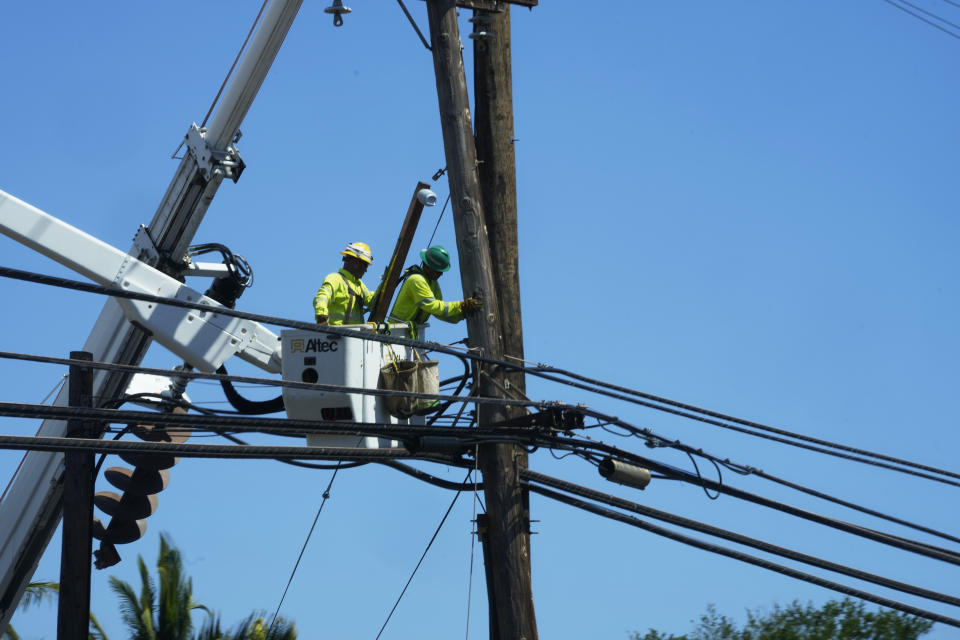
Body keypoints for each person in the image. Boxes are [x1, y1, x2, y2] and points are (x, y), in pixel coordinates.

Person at [389, 245, 481, 328]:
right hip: (396, 330)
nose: (441, 275)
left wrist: (463, 314)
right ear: (428, 266)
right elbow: (433, 306)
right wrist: (461, 305)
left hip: (411, 333)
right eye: (438, 271)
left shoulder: (433, 284)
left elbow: (439, 312)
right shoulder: (416, 280)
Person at [313, 242, 376, 325]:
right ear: (355, 263)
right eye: (365, 266)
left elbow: (372, 300)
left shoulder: (359, 285)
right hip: (338, 335)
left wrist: (384, 286)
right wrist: (322, 317)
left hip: (357, 335)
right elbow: (322, 297)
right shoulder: (335, 279)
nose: (365, 270)